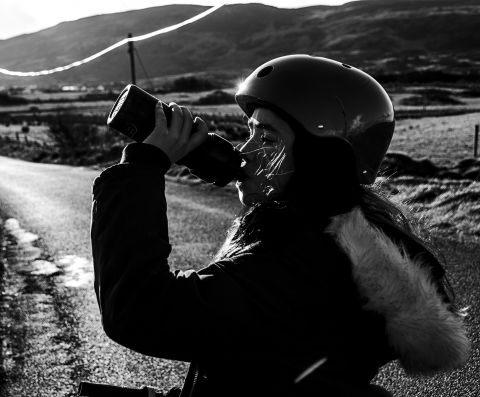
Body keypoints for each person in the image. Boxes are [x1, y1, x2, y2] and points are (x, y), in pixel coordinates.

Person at [90, 55, 470, 396]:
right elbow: (263, 373)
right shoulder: (339, 243)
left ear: (320, 162)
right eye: (250, 132)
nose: (246, 151)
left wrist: (143, 165)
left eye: (268, 138)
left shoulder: (297, 266)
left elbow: (139, 310)